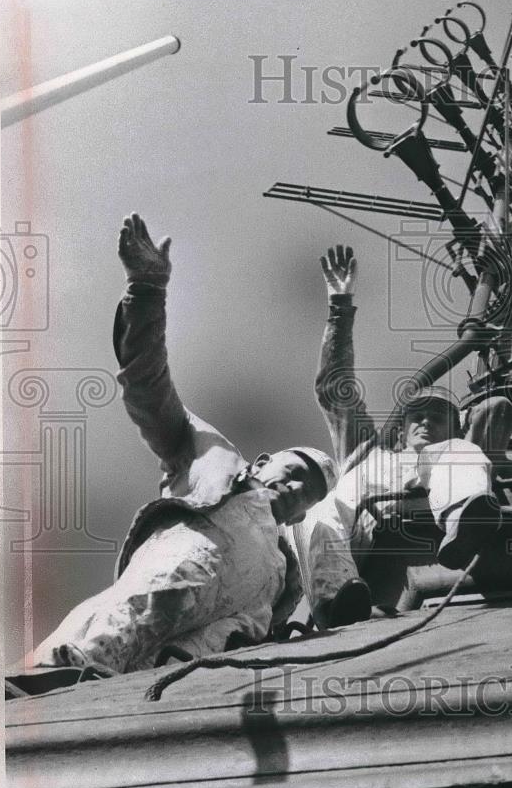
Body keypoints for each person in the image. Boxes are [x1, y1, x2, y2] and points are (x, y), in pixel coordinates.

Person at [26, 213, 336, 677]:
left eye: (306, 494)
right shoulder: (213, 464)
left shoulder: (283, 576)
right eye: (292, 474)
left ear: (302, 516)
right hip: (114, 632)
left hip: (168, 681)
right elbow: (150, 389)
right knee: (65, 668)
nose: (294, 489)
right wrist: (146, 292)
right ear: (265, 461)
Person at [306, 245, 512, 629]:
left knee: (462, 454)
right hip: (358, 537)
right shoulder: (371, 451)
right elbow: (333, 389)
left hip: (432, 514)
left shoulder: (456, 448)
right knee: (320, 508)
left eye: (437, 417)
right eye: (415, 416)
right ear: (400, 430)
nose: (424, 423)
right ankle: (335, 599)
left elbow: (494, 410)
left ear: (455, 425)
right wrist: (340, 306)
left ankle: (464, 522)